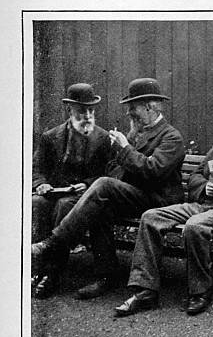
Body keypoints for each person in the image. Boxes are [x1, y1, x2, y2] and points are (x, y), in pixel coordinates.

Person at [113, 102, 213, 317]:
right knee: (151, 216)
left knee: (194, 226)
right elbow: (195, 177)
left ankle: (200, 291)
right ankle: (145, 291)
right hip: (204, 205)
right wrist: (206, 187)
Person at [31, 78, 185, 299]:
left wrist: (124, 149)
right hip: (134, 196)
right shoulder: (135, 133)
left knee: (103, 186)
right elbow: (112, 166)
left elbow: (153, 171)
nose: (129, 113)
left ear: (149, 107)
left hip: (159, 201)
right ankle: (107, 276)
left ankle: (52, 243)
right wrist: (121, 163)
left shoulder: (171, 136)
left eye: (133, 107)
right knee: (100, 204)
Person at [31, 83, 112, 298]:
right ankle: (36, 266)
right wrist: (41, 184)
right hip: (55, 191)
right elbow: (37, 167)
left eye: (91, 110)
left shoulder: (103, 139)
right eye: (81, 111)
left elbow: (109, 174)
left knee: (64, 205)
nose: (87, 115)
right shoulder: (51, 136)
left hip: (83, 196)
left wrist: (86, 183)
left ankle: (51, 273)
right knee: (36, 203)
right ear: (69, 110)